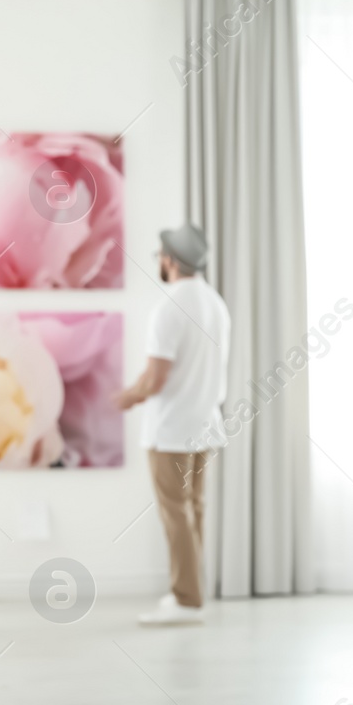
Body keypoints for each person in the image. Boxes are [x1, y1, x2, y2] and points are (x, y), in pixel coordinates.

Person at [116, 225, 231, 627]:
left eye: (160, 256)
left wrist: (126, 397)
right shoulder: (215, 303)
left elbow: (155, 378)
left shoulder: (170, 306)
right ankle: (191, 593)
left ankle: (186, 599)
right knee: (193, 509)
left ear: (169, 259)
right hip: (205, 425)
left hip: (172, 430)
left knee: (175, 513)